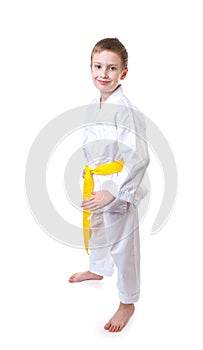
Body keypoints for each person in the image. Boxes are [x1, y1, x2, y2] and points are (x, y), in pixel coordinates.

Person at [69, 38, 150, 333]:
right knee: (98, 227)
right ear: (90, 67)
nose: (104, 74)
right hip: (98, 178)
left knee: (123, 244)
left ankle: (127, 301)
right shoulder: (94, 102)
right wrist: (90, 165)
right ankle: (98, 268)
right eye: (98, 66)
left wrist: (114, 190)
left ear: (123, 73)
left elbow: (139, 158)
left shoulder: (124, 109)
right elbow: (96, 139)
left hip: (117, 186)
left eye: (112, 68)